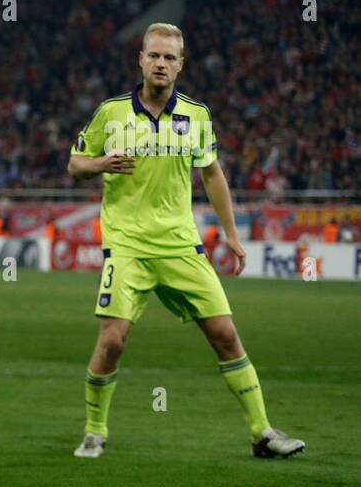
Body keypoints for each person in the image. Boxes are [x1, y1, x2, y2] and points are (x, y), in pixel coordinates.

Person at [67, 23, 304, 459]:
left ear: (181, 65)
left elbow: (212, 173)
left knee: (226, 335)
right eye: (153, 56)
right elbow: (75, 164)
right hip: (128, 246)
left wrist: (232, 234)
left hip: (181, 244)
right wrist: (101, 161)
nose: (160, 64)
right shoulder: (111, 112)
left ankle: (262, 433)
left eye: (169, 58)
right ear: (140, 60)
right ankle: (94, 430)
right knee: (113, 341)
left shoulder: (196, 116)